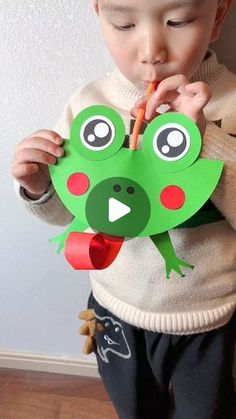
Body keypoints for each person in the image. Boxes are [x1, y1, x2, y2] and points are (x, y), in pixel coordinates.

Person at [12, 0, 236, 418]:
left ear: (219, 16)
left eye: (177, 21)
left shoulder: (231, 103)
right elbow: (73, 215)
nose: (152, 49)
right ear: (99, 15)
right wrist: (38, 185)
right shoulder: (88, 105)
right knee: (133, 409)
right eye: (124, 23)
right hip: (116, 309)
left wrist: (202, 139)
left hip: (207, 318)